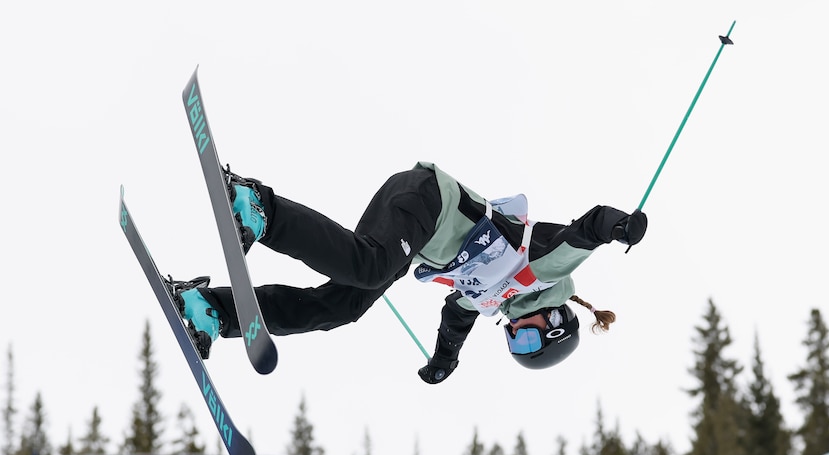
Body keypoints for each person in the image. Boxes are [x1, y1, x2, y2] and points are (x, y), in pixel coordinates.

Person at [172, 163, 647, 381]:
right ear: (556, 323)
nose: (514, 335)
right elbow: (588, 229)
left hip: (416, 235)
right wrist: (620, 226)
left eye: (513, 344)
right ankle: (260, 208)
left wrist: (446, 359)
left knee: (343, 306)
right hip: (430, 202)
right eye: (526, 340)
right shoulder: (546, 275)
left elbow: (456, 318)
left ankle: (209, 312)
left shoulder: (495, 301)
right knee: (369, 264)